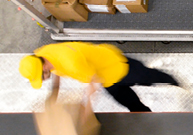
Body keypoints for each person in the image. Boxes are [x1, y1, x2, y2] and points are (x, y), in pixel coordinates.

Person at [18, 42, 180, 112]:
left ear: (43, 67)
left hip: (115, 67)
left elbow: (93, 83)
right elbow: (57, 73)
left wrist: (86, 112)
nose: (43, 79)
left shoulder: (71, 63)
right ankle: (145, 116)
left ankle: (172, 80)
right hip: (106, 79)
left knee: (148, 77)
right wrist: (54, 94)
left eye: (41, 77)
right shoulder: (41, 54)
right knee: (129, 102)